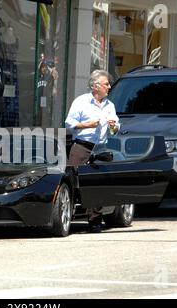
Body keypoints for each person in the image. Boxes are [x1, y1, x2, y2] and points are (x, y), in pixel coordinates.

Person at [65, 69, 120, 233]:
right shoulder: (81, 101)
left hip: (101, 147)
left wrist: (113, 127)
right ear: (95, 86)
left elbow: (115, 130)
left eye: (109, 84)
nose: (109, 86)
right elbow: (69, 124)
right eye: (106, 84)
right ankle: (69, 215)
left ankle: (95, 221)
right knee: (73, 180)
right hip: (82, 145)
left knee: (98, 184)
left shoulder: (110, 105)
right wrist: (87, 125)